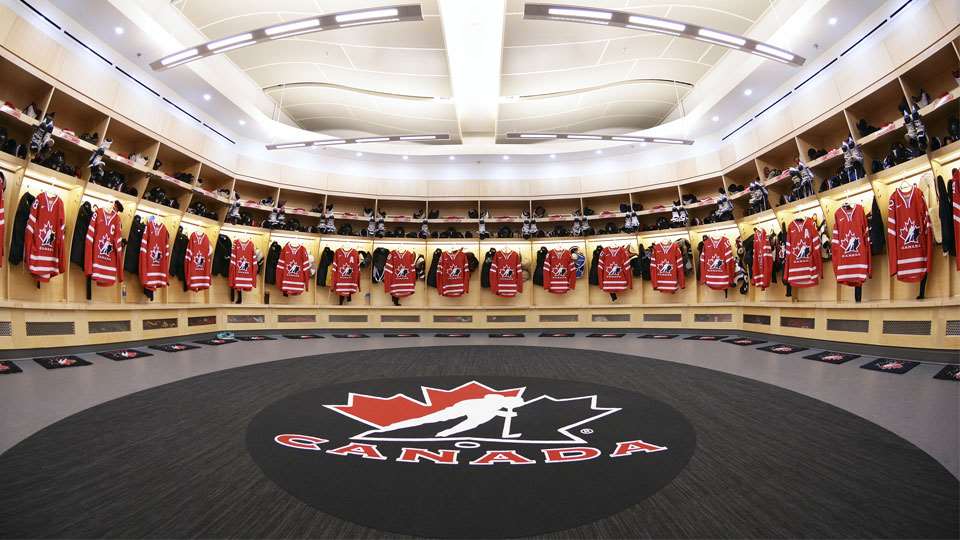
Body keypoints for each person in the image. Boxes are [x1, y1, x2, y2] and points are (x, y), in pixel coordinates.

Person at [378, 394, 526, 437]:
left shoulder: (500, 405)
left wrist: (503, 412)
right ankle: (391, 427)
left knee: (473, 424)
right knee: (431, 418)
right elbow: (488, 401)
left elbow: (489, 410)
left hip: (479, 411)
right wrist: (503, 411)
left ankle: (446, 433)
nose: (514, 406)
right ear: (511, 401)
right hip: (468, 405)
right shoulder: (497, 398)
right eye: (515, 404)